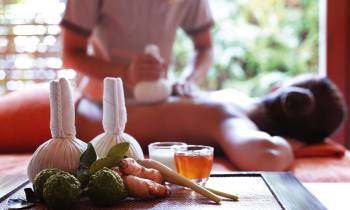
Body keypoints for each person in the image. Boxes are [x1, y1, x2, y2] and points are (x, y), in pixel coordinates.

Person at [0, 0, 346, 171]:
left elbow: (205, 48)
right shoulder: (228, 109)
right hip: (93, 109)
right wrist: (294, 145)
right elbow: (267, 156)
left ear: (276, 91)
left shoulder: (229, 109)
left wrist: (189, 79)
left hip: (114, 116)